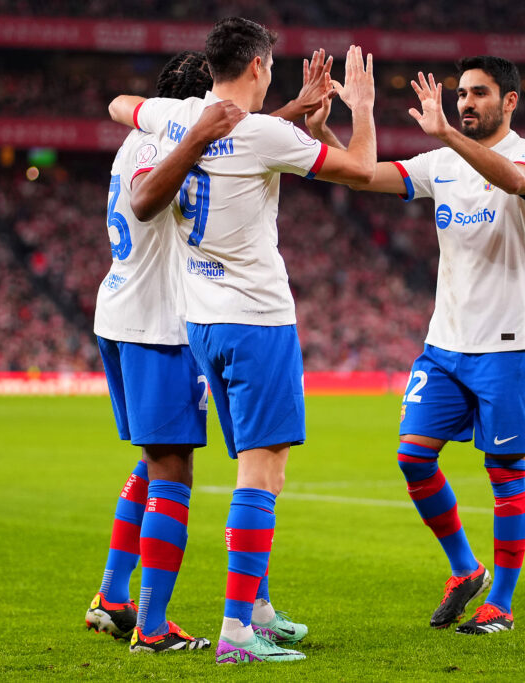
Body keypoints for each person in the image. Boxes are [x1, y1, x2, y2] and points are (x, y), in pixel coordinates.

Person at [107, 16, 376, 664]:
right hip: (257, 320)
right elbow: (364, 168)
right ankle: (236, 629)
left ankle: (250, 605)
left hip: (201, 323)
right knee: (265, 469)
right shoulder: (261, 134)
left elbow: (122, 105)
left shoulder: (172, 120)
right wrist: (358, 108)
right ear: (257, 66)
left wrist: (292, 116)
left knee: (243, 464)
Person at [307, 56, 525, 634]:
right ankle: (466, 569)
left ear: (509, 101)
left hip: (508, 343)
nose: (465, 103)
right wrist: (327, 131)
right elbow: (363, 176)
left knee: (504, 473)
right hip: (444, 344)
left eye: (479, 94)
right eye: (461, 94)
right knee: (413, 456)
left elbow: (515, 183)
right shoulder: (439, 163)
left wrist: (443, 133)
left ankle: (504, 604)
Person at [86, 50, 243, 654]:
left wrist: (288, 114)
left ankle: (114, 598)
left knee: (153, 462)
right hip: (157, 326)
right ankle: (151, 627)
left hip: (122, 311)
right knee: (174, 468)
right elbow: (156, 192)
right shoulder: (166, 146)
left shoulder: (140, 139)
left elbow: (220, 145)